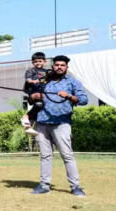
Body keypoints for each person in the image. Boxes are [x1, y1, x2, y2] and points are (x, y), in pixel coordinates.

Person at [29, 55, 88, 197]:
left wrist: (68, 96)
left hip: (61, 123)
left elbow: (84, 100)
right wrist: (33, 97)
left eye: (62, 65)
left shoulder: (72, 82)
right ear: (53, 66)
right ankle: (44, 185)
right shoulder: (44, 81)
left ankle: (76, 187)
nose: (59, 67)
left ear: (66, 67)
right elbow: (31, 99)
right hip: (42, 123)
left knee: (67, 155)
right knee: (45, 156)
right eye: (57, 65)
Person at [21, 52, 50, 136]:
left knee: (39, 105)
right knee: (39, 102)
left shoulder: (47, 72)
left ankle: (28, 125)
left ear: (45, 62)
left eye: (40, 61)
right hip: (33, 92)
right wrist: (35, 81)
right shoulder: (30, 71)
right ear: (33, 63)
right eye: (36, 61)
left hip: (43, 93)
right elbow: (28, 80)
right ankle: (26, 117)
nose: (38, 63)